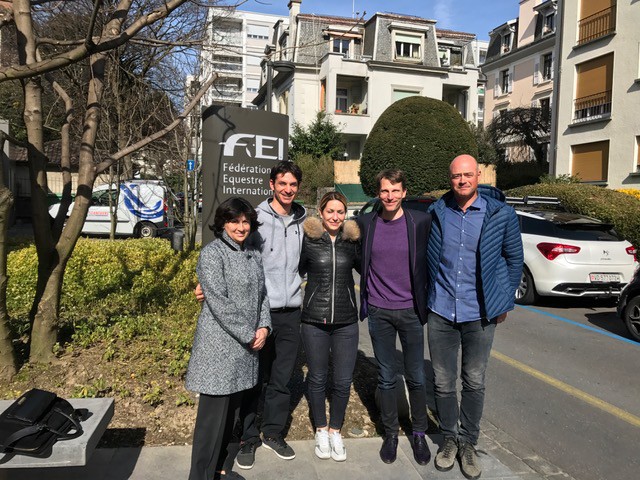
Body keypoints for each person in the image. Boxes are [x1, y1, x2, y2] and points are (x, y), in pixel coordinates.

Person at [195, 161, 306, 469]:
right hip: (258, 315)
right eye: (282, 183)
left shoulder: (302, 220)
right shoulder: (255, 218)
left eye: (293, 184)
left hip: (289, 312)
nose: (287, 189)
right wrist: (205, 283)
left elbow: (306, 262)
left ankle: (272, 433)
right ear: (272, 184)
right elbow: (230, 254)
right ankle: (247, 438)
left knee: (282, 379)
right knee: (253, 381)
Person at [426, 154, 523, 480]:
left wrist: (502, 301)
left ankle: (468, 443)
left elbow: (514, 260)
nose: (462, 180)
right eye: (457, 176)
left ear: (478, 175)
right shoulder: (437, 212)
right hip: (441, 311)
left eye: (468, 175)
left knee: (474, 380)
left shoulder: (501, 214)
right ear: (450, 178)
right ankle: (449, 439)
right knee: (442, 381)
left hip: (480, 314)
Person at [186, 197, 271, 480]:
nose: (241, 226)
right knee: (211, 425)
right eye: (234, 220)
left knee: (231, 420)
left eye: (246, 221)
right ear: (223, 222)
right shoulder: (212, 254)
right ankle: (200, 476)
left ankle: (219, 470)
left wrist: (264, 327)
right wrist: (249, 333)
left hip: (245, 352)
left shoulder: (253, 254)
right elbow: (219, 302)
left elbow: (263, 297)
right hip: (219, 352)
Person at [356, 169, 432, 466]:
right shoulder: (366, 222)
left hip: (411, 311)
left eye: (395, 190)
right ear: (378, 192)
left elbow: (432, 262)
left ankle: (419, 434)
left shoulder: (420, 221)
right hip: (378, 310)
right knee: (387, 376)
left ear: (404, 192)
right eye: (384, 191)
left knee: (415, 375)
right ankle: (390, 433)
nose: (389, 196)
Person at [299, 191, 361, 462]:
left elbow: (372, 267)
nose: (335, 216)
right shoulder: (309, 240)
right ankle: (321, 430)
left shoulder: (351, 242)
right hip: (314, 319)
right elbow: (292, 270)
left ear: (345, 214)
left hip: (346, 321)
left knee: (343, 380)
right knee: (317, 377)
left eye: (340, 211)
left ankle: (336, 429)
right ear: (321, 213)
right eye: (330, 211)